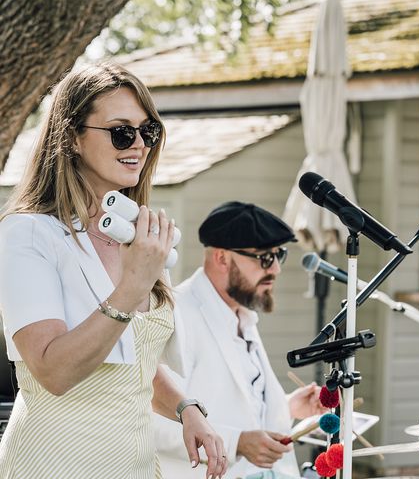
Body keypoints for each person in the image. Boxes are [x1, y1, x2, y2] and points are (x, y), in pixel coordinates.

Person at [0, 63, 226, 479]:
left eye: (149, 131)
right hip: (54, 465)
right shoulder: (28, 234)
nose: (139, 144)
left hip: (134, 466)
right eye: (122, 131)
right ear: (71, 137)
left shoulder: (138, 235)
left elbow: (131, 356)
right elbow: (53, 371)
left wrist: (186, 407)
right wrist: (132, 286)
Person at [154, 202, 326, 478]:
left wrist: (286, 406)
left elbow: (231, 402)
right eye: (264, 258)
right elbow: (150, 422)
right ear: (222, 258)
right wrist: (237, 443)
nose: (276, 270)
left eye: (279, 255)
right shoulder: (177, 313)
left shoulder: (240, 313)